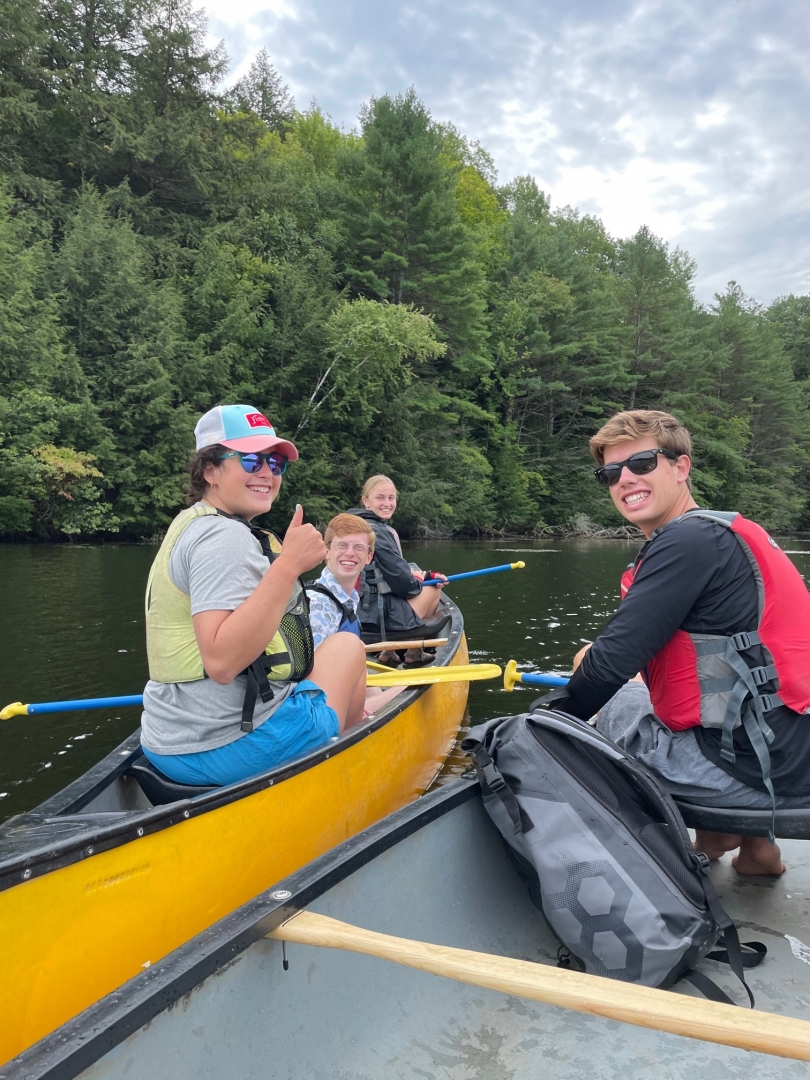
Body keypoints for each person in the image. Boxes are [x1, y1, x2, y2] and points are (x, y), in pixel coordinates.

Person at [556, 409, 810, 876]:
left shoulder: (687, 541)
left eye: (642, 463)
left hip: (758, 771)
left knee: (597, 694)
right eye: (611, 472)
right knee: (660, 686)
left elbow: (610, 664)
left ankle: (685, 845)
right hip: (787, 750)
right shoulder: (718, 531)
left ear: (681, 467)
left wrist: (543, 723)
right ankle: (752, 850)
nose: (625, 479)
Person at [140, 404, 367, 787]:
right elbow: (223, 663)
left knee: (317, 667)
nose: (266, 473)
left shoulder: (191, 523)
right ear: (209, 470)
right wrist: (289, 564)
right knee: (347, 647)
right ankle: (345, 762)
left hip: (165, 740)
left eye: (275, 463)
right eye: (249, 460)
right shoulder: (225, 538)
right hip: (227, 745)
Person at [348, 475, 448, 664]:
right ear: (366, 501)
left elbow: (383, 573)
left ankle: (388, 654)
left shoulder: (354, 526)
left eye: (391, 498)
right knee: (435, 590)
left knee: (427, 584)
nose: (387, 503)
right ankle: (413, 654)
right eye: (380, 497)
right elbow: (405, 586)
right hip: (376, 618)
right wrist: (422, 581)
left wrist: (427, 575)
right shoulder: (378, 532)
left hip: (358, 611)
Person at [307, 514, 374, 647]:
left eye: (358, 547)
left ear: (368, 557)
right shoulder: (316, 604)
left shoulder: (351, 598)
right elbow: (313, 666)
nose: (350, 553)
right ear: (327, 552)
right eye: (342, 545)